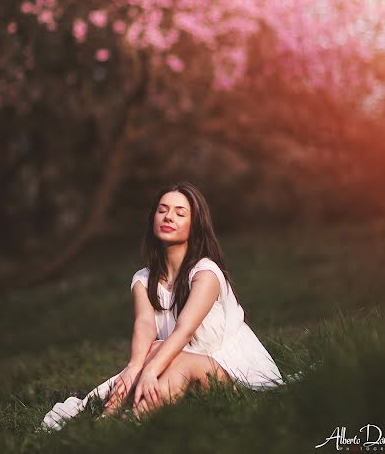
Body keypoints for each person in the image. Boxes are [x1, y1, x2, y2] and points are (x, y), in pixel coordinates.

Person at [41, 181, 284, 431]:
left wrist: (150, 370)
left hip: (238, 375)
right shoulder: (143, 280)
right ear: (153, 218)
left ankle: (125, 426)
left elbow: (184, 330)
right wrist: (135, 367)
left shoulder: (206, 273)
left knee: (173, 358)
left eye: (180, 213)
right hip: (180, 365)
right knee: (155, 349)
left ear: (195, 226)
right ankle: (111, 423)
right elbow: (145, 323)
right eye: (162, 210)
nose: (169, 217)